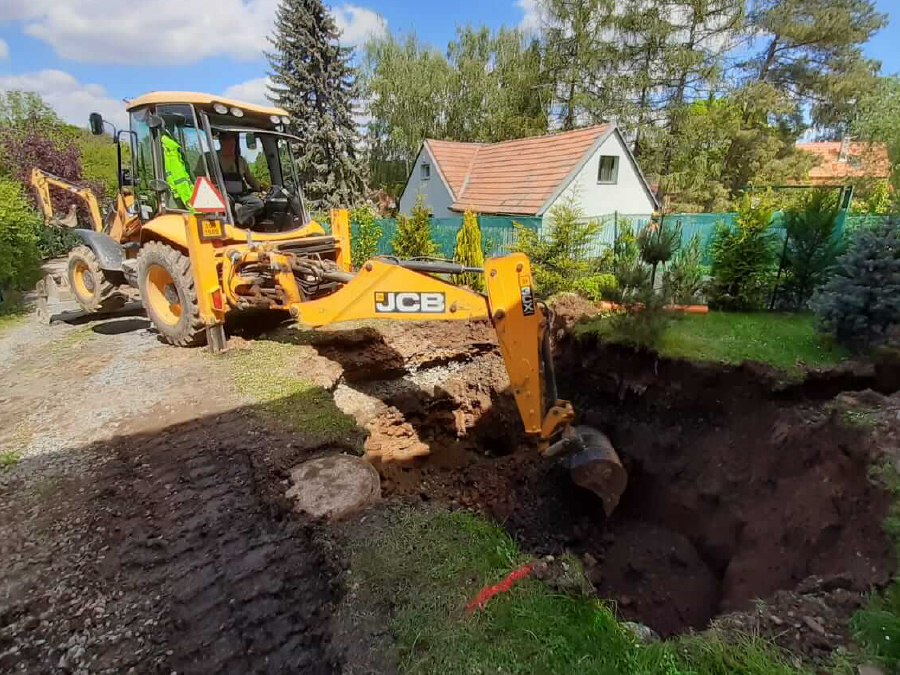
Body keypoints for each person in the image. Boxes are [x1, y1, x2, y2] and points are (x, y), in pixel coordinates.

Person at [214, 132, 265, 226]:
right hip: (223, 194)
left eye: (233, 145)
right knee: (226, 203)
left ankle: (235, 218)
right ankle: (230, 221)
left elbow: (249, 178)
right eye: (229, 145)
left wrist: (260, 188)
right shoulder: (211, 158)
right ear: (221, 143)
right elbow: (200, 176)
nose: (232, 147)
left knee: (258, 203)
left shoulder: (241, 160)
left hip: (240, 195)